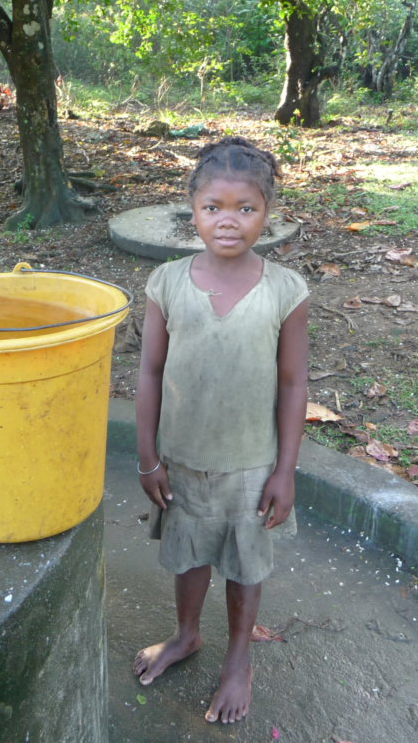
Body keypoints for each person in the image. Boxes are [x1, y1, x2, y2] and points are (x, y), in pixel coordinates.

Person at [133, 136, 310, 724]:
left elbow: (293, 384)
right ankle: (186, 634)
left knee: (244, 563)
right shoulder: (166, 282)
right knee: (188, 554)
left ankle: (239, 658)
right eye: (213, 207)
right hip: (181, 457)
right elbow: (150, 372)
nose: (228, 221)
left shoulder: (286, 290)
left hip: (251, 462)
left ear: (267, 213)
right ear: (193, 211)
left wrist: (285, 471)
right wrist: (147, 457)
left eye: (245, 208)